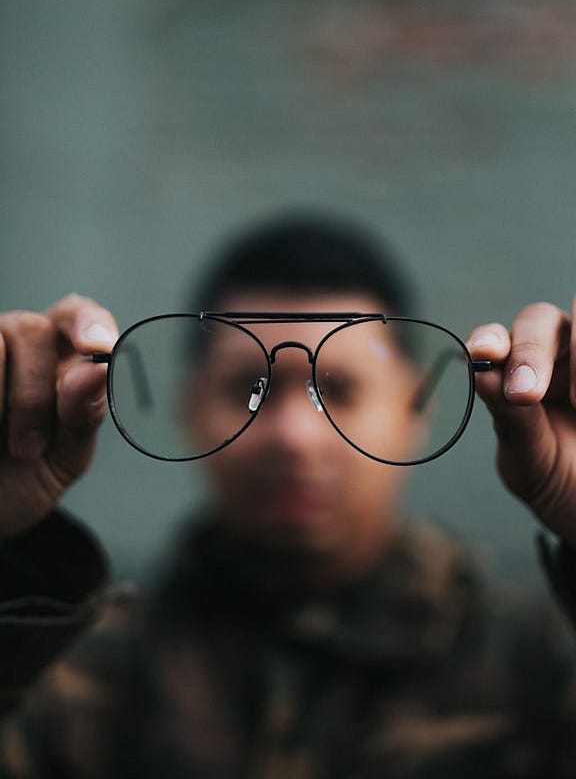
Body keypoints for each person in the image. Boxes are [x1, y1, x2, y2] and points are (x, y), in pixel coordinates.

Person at [1, 212, 576, 778]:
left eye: (339, 389)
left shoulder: (539, 660)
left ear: (415, 407)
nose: (294, 437)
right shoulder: (63, 666)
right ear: (189, 408)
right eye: (248, 387)